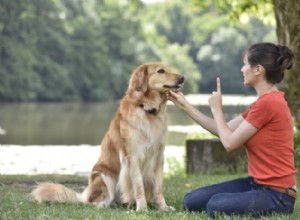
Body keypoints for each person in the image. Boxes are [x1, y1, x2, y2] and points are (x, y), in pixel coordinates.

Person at [166, 42, 297, 217]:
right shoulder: (262, 103)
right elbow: (224, 130)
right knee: (191, 200)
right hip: (255, 184)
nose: (242, 69)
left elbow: (229, 144)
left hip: (278, 195)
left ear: (258, 69)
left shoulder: (269, 103)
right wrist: (185, 106)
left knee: (215, 206)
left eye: (245, 64)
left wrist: (217, 109)